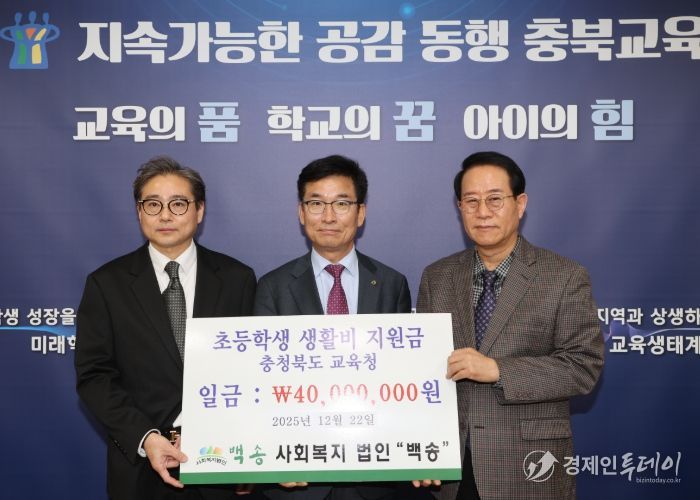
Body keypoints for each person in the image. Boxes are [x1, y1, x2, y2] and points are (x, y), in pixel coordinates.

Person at [415, 151, 604, 499]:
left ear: (520, 204)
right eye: (471, 201)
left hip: (529, 467)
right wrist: (422, 449)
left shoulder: (564, 276)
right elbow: (422, 373)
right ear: (459, 208)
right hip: (452, 472)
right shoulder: (437, 277)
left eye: (494, 199)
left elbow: (583, 367)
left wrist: (499, 370)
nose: (482, 212)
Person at [75, 156, 258, 500]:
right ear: (139, 211)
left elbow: (253, 372)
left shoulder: (238, 279)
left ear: (199, 210)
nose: (165, 215)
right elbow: (94, 377)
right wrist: (147, 438)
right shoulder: (107, 284)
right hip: (141, 472)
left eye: (178, 203)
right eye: (153, 204)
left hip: (222, 466)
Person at [254, 154, 413, 500]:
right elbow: (261, 383)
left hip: (375, 474)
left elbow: (403, 377)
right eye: (316, 203)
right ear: (301, 213)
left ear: (360, 213)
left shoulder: (391, 284)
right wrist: (272, 457)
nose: (328, 216)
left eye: (341, 203)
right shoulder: (272, 287)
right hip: (297, 476)